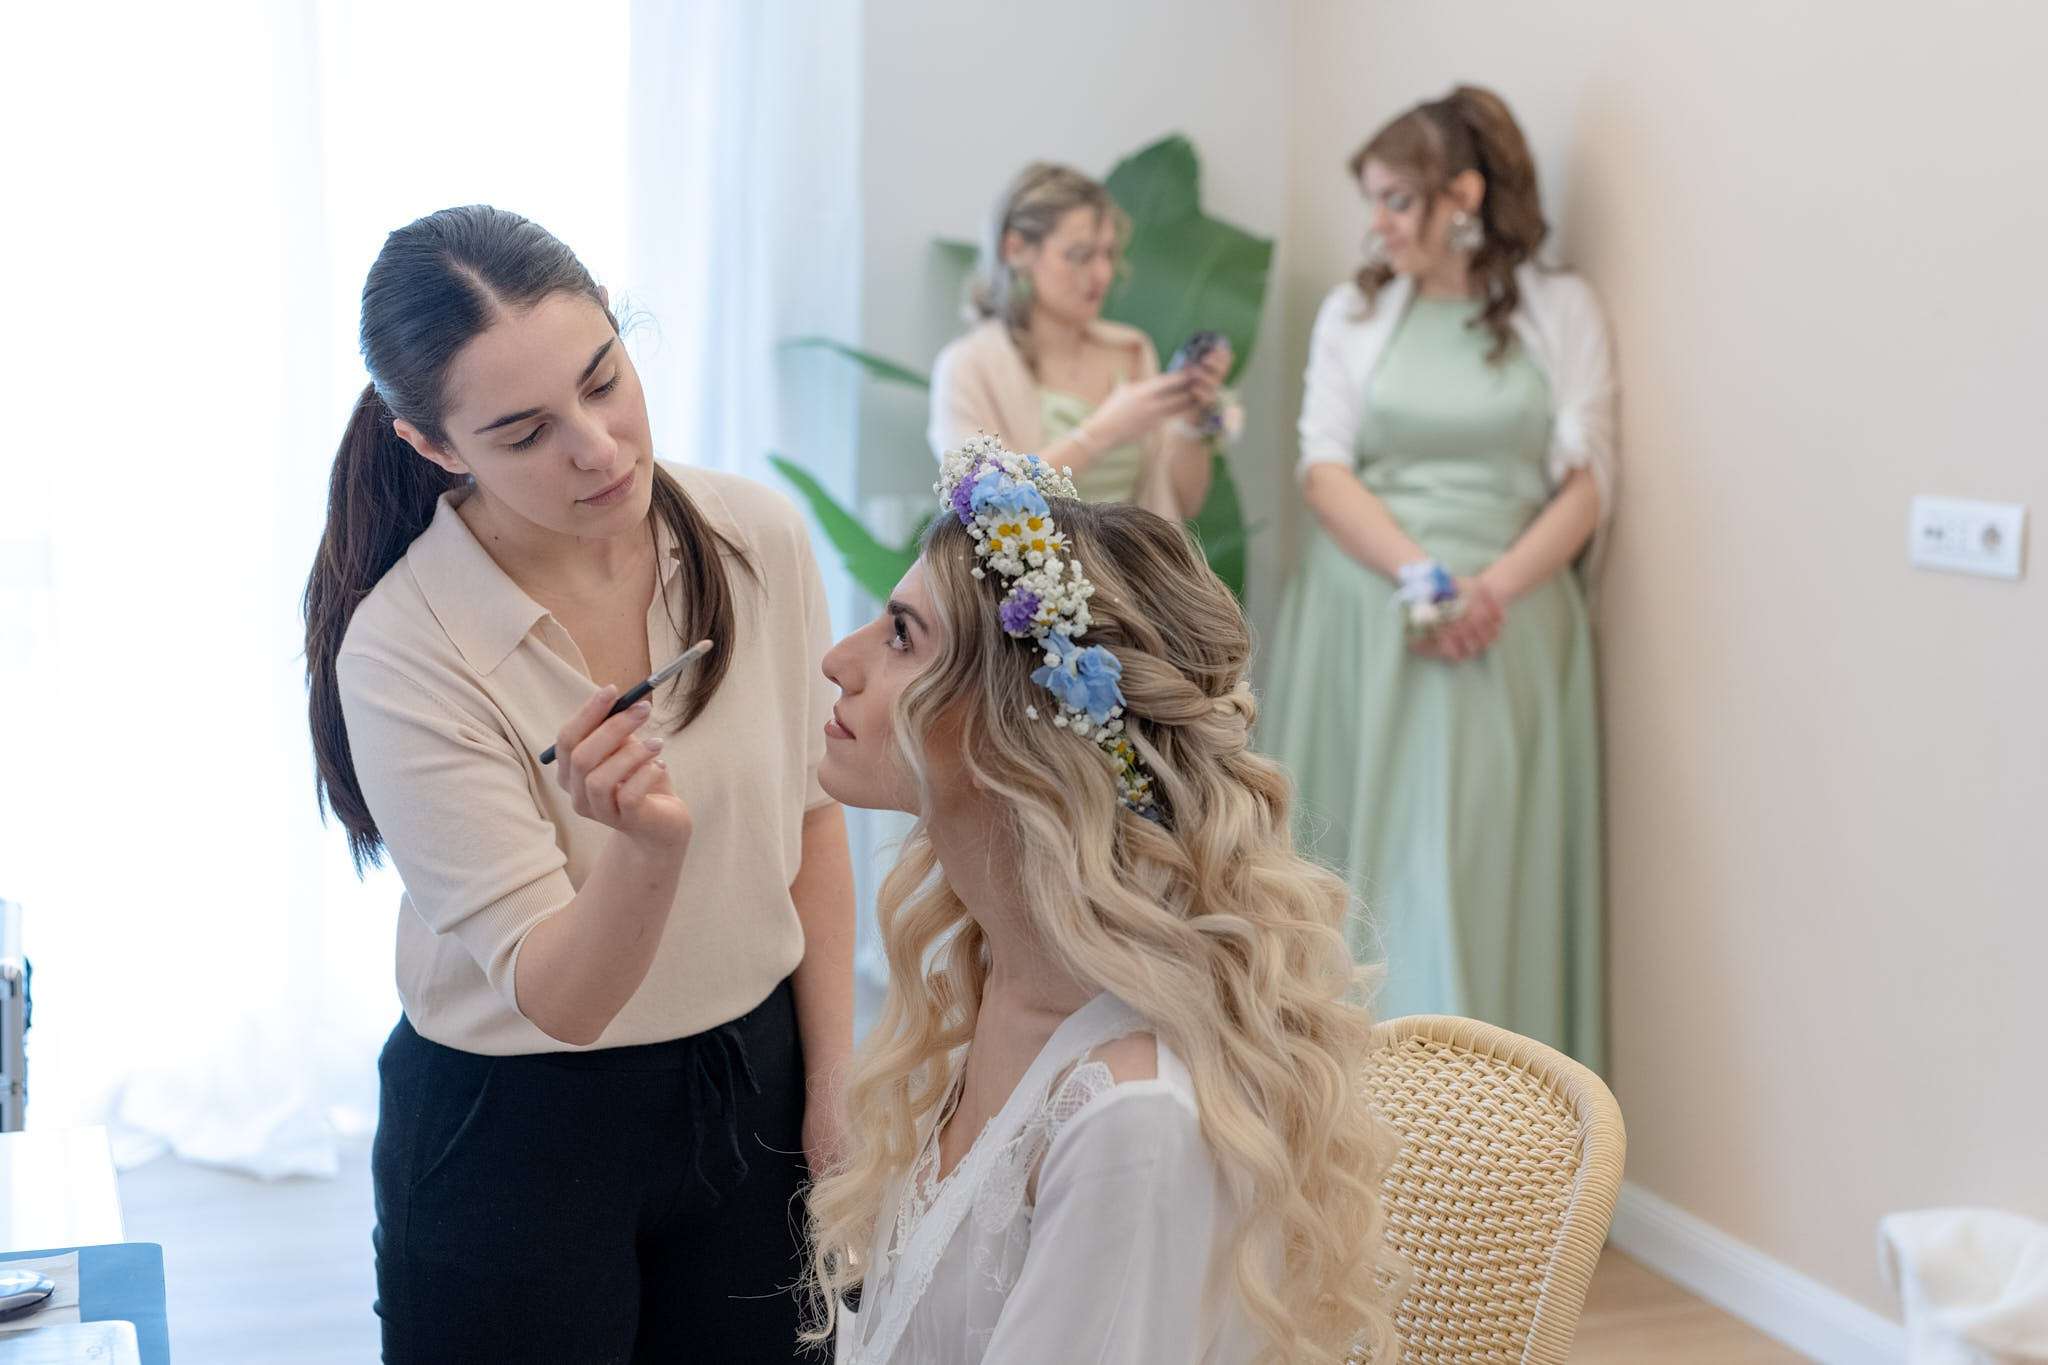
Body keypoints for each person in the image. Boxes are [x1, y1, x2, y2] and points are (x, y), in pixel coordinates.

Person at [302, 205, 853, 1363]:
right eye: (523, 432)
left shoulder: (755, 538)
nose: (598, 448)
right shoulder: (405, 649)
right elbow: (562, 998)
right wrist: (647, 851)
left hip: (751, 1087)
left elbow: (811, 824)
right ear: (434, 448)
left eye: (605, 380)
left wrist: (833, 1087)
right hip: (516, 1129)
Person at [803, 437, 1399, 1364]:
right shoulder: (1006, 978)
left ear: (1012, 735)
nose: (840, 660)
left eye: (901, 635)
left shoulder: (1130, 1119)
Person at [1265, 86, 1616, 1070]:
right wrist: (1419, 577)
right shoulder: (1355, 309)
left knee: (1469, 871)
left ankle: (1489, 1147)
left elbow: (1588, 483)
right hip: (1366, 612)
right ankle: (1340, 1129)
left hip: (1508, 622)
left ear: (1461, 193)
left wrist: (1491, 588)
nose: (1375, 225)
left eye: (1392, 199)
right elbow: (1321, 468)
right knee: (1366, 874)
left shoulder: (1560, 307)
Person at [927, 162, 1233, 519]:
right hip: (1028, 573)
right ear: (1016, 250)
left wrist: (1191, 420)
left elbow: (1178, 505)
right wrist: (1104, 430)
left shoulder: (1131, 350)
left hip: (1129, 571)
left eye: (1108, 253)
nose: (1102, 274)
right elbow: (988, 503)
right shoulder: (967, 366)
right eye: (1080, 255)